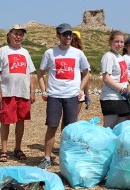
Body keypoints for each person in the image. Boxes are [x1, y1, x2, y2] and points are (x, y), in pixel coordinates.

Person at [37, 23, 90, 169]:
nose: (68, 37)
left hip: (72, 97)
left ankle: (67, 158)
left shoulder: (78, 53)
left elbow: (87, 73)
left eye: (69, 34)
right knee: (52, 127)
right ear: (58, 36)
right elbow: (40, 74)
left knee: (69, 129)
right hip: (54, 96)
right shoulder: (50, 53)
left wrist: (80, 89)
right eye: (65, 34)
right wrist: (43, 90)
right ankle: (47, 158)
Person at [0, 24, 36, 162]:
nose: (18, 37)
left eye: (21, 34)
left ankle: (18, 148)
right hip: (7, 92)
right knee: (6, 121)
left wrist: (32, 91)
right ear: (9, 35)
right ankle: (4, 150)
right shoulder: (3, 51)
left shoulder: (25, 52)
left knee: (21, 120)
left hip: (23, 93)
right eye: (16, 34)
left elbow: (31, 74)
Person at [100, 30, 130, 128]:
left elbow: (123, 77)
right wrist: (122, 89)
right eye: (117, 41)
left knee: (120, 128)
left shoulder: (120, 57)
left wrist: (129, 90)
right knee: (109, 128)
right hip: (111, 98)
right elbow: (106, 78)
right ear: (110, 42)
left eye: (121, 42)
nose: (119, 44)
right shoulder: (108, 56)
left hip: (122, 98)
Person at [58, 30, 91, 131]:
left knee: (66, 119)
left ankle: (64, 140)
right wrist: (86, 94)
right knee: (72, 119)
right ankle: (67, 141)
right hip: (77, 91)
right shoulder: (80, 55)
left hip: (64, 91)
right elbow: (85, 76)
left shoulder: (66, 54)